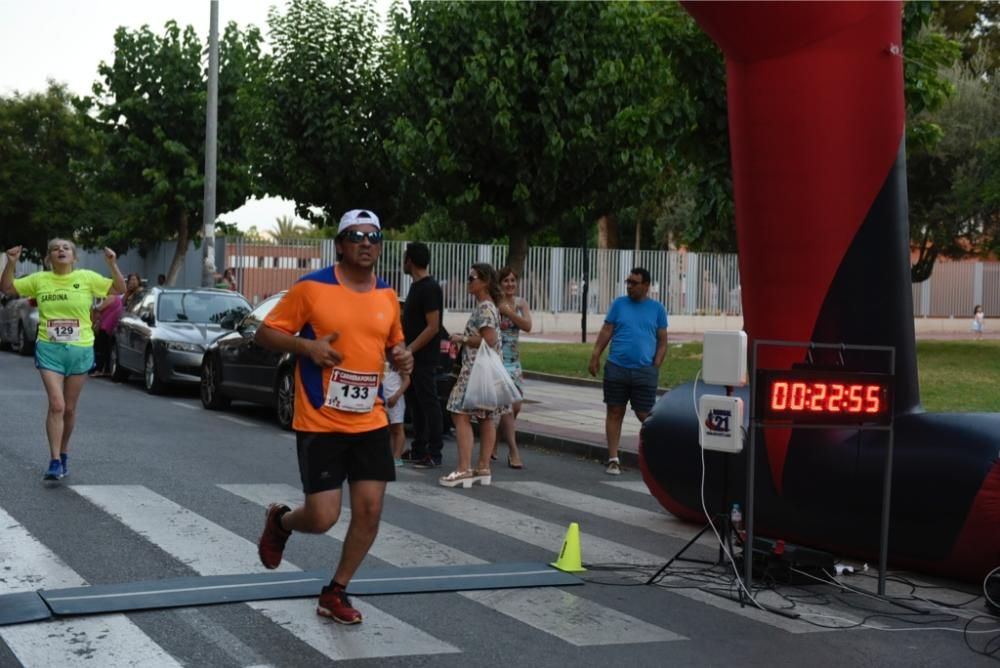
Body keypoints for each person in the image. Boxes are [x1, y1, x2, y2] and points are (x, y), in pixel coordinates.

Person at [253, 209, 413, 625]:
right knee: (323, 518)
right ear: (340, 244)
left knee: (370, 510)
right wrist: (308, 349)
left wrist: (403, 355)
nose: (365, 242)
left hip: (370, 419)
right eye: (355, 236)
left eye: (373, 236)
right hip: (321, 420)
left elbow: (394, 344)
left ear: (380, 245)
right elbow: (264, 333)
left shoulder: (386, 296)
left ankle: (336, 590)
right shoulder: (311, 288)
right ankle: (281, 522)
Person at [1, 240, 126, 480]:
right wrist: (11, 263)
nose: (61, 251)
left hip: (80, 349)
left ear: (74, 257)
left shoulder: (87, 278)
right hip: (50, 348)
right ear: (49, 257)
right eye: (56, 248)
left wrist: (112, 264)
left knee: (69, 408)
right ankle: (55, 459)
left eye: (66, 248)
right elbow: (6, 288)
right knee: (56, 405)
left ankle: (65, 451)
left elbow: (118, 289)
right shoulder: (40, 279)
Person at [588, 267, 668, 475]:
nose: (629, 286)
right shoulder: (619, 304)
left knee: (646, 415)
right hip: (617, 367)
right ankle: (613, 458)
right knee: (615, 410)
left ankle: (654, 457)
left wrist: (656, 364)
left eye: (634, 282)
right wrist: (596, 355)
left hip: (644, 370)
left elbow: (662, 340)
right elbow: (607, 330)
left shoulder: (657, 309)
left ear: (646, 286)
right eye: (628, 282)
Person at [441, 263, 509, 488]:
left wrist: (462, 338)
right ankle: (482, 468)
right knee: (485, 416)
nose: (468, 282)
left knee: (458, 413)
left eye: (472, 278)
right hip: (484, 371)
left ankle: (463, 469)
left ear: (485, 282)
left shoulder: (485, 308)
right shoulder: (488, 306)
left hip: (474, 370)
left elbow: (488, 340)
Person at [401, 241, 445, 467]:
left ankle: (434, 452)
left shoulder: (429, 287)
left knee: (429, 403)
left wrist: (410, 349)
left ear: (411, 260)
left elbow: (432, 327)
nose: (403, 262)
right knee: (415, 403)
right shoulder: (415, 287)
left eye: (405, 257)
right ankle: (418, 448)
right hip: (412, 359)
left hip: (424, 357)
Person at [496, 267, 532, 469]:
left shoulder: (521, 303)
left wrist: (509, 312)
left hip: (515, 361)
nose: (510, 284)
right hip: (499, 360)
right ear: (500, 283)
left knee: (516, 406)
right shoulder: (494, 303)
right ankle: (513, 451)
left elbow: (527, 325)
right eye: (506, 281)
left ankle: (494, 443)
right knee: (508, 409)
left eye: (512, 280)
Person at [90, 272, 141, 377]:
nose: (132, 282)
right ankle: (105, 369)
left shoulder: (113, 296)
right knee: (106, 349)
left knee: (101, 348)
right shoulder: (121, 296)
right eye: (131, 280)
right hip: (113, 326)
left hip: (106, 326)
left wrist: (92, 308)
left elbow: (100, 308)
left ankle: (99, 369)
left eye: (134, 280)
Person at [383, 361, 411, 466]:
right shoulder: (382, 358)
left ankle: (397, 457)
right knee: (389, 429)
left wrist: (396, 397)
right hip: (383, 398)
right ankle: (390, 455)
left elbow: (407, 380)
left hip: (395, 400)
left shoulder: (399, 361)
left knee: (398, 428)